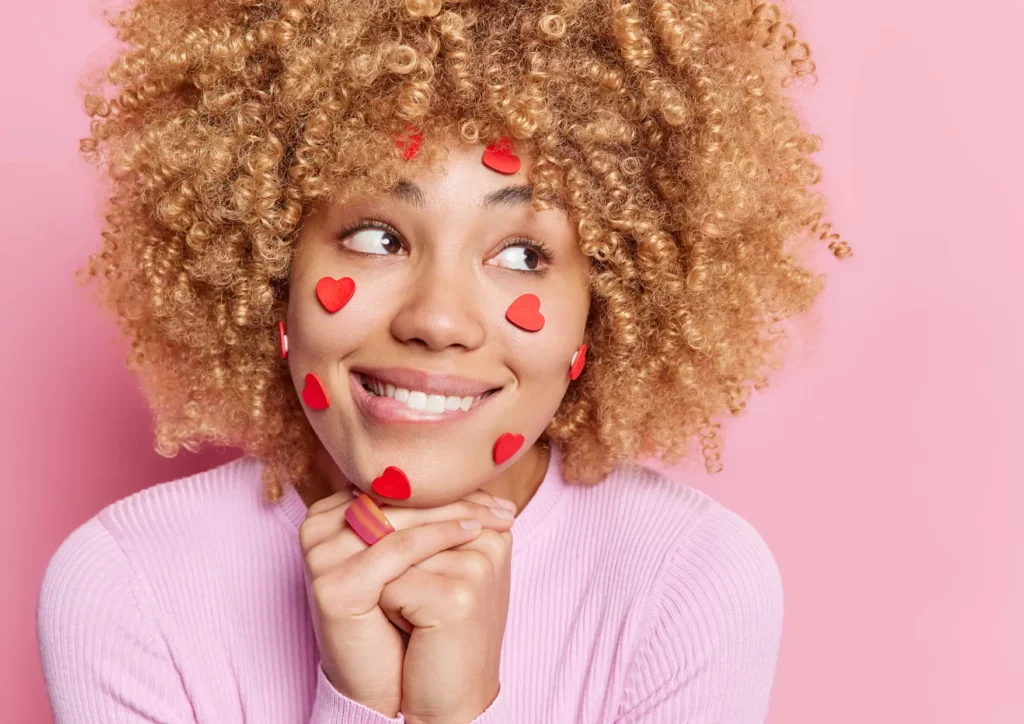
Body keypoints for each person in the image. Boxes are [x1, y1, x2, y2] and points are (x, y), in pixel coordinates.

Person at [37, 0, 850, 721]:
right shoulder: (129, 587)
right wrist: (356, 703)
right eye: (377, 238)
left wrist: (453, 714)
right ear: (271, 269)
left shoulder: (687, 581)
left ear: (599, 310)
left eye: (525, 254)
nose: (437, 320)